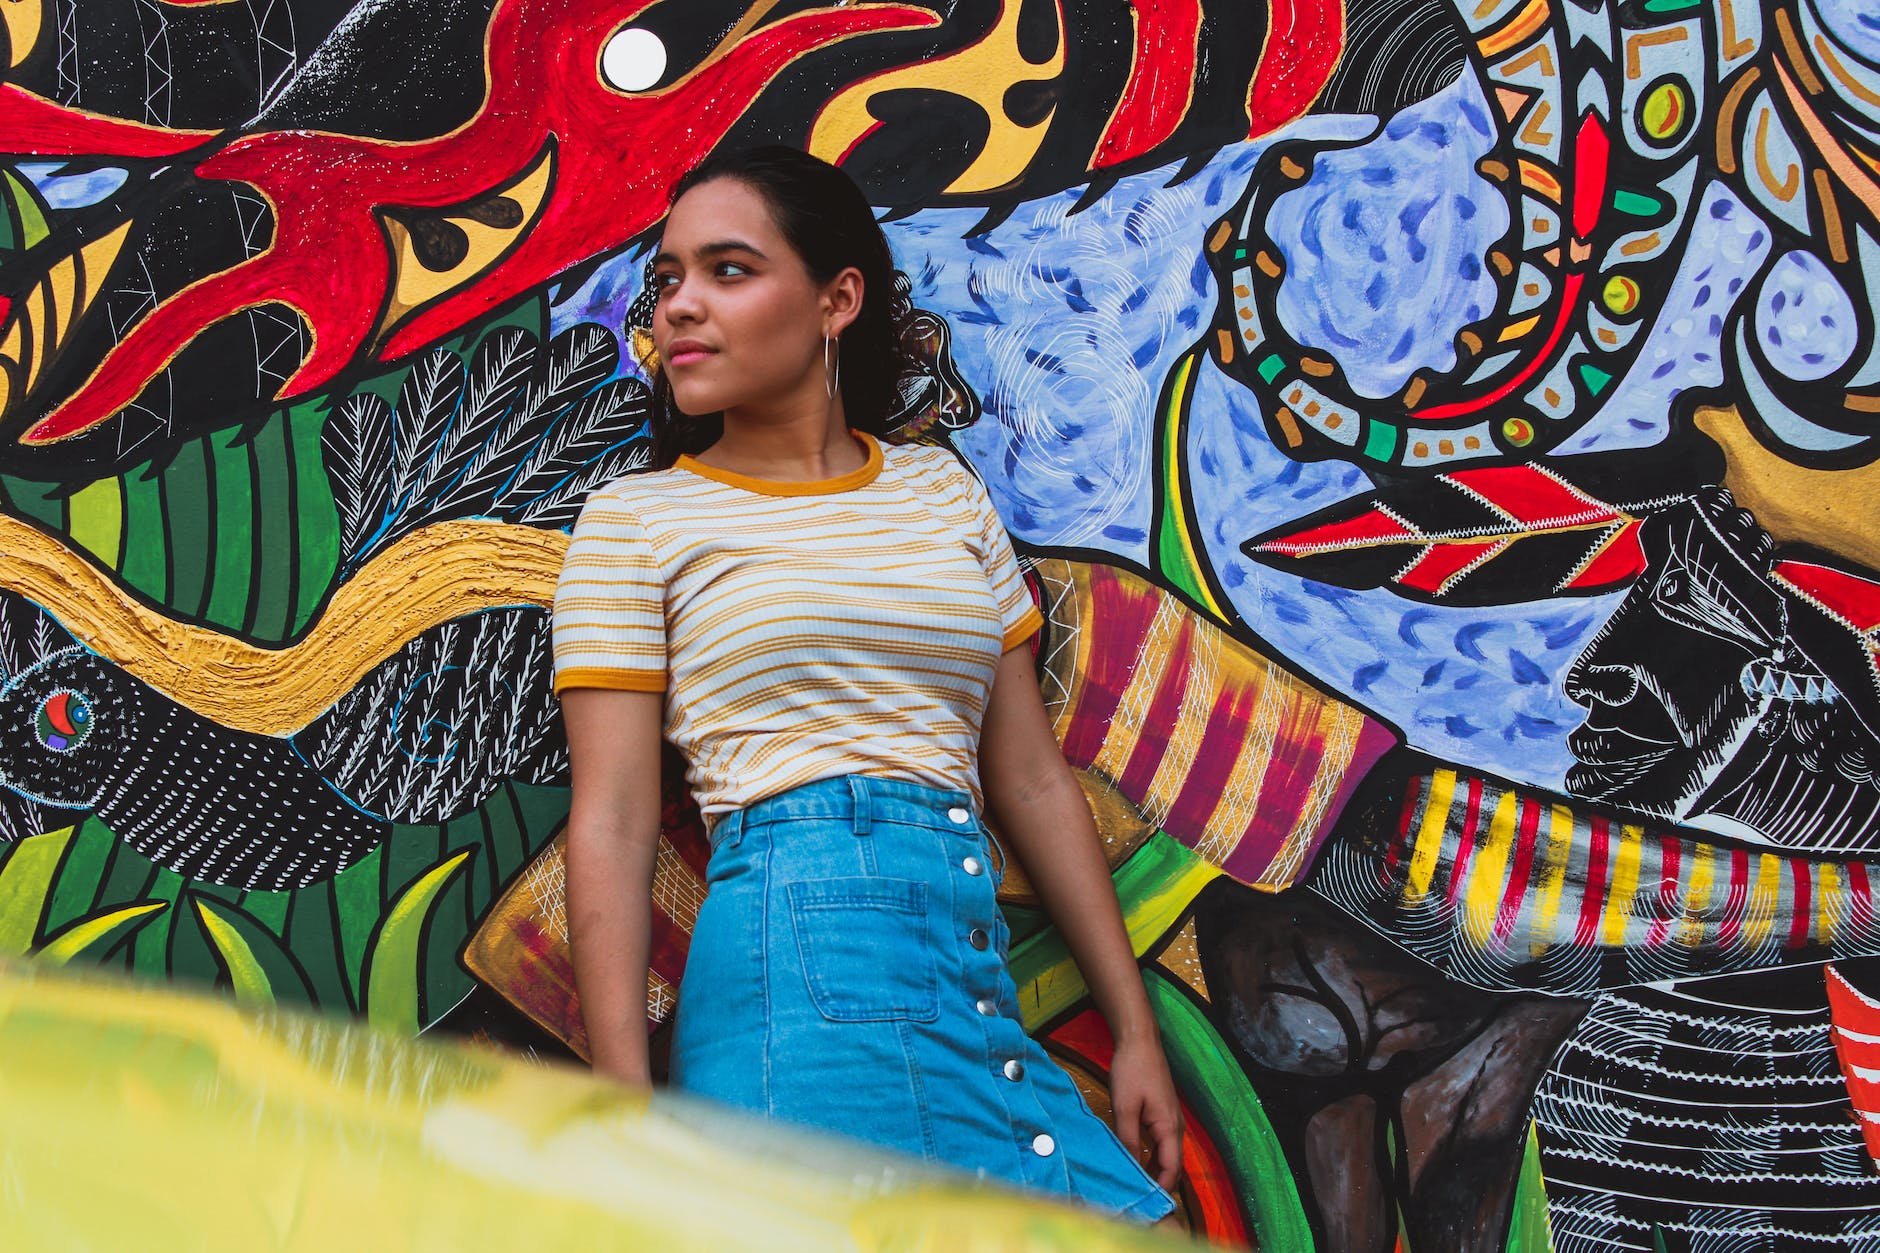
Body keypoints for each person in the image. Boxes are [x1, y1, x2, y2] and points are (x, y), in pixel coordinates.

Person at [550, 145, 1183, 1225]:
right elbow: (610, 817)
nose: (678, 309)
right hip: (790, 982)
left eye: (727, 271)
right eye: (666, 280)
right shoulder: (636, 521)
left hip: (960, 962)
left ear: (836, 298)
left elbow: (1029, 779)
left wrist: (1133, 1031)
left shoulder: (941, 490)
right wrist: (624, 1100)